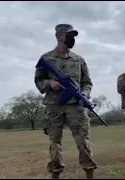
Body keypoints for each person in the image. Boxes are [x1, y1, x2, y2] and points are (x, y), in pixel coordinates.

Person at [34, 24, 97, 179]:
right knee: (55, 141)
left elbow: (87, 82)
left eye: (74, 36)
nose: (72, 39)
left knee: (83, 140)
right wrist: (50, 83)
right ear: (59, 36)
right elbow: (38, 80)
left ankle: (89, 173)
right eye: (69, 35)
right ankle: (55, 174)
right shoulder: (46, 59)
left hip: (76, 106)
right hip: (54, 106)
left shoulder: (79, 60)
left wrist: (84, 94)